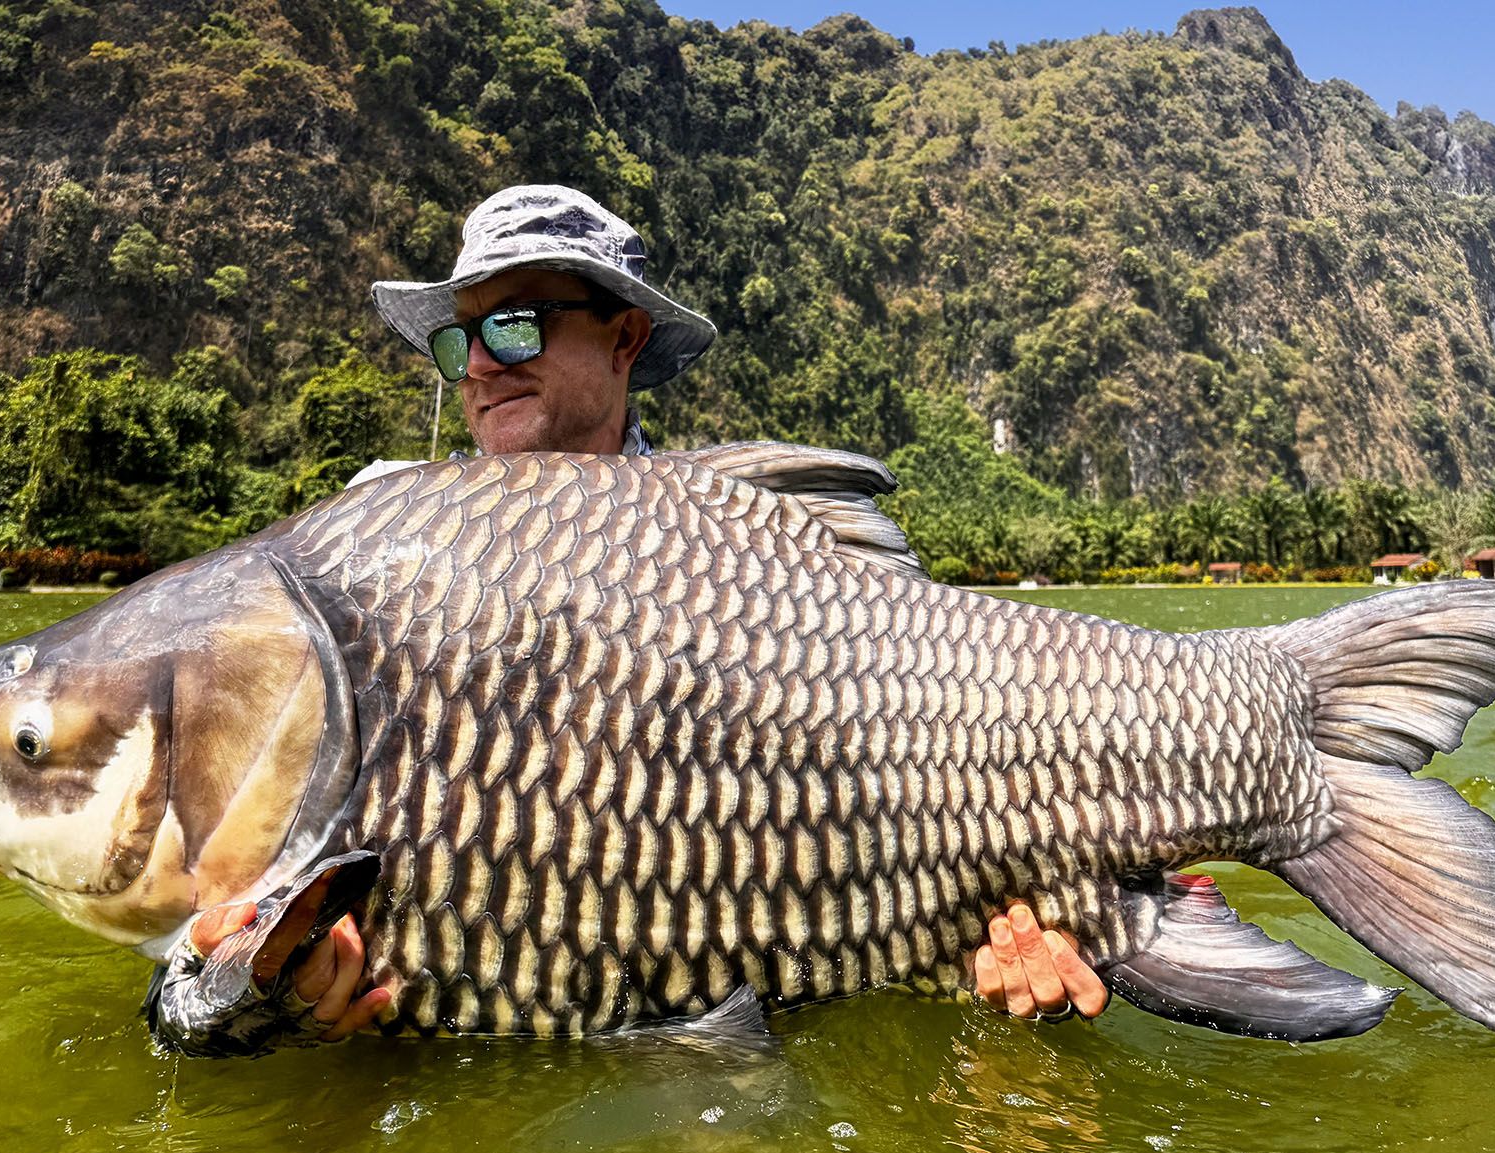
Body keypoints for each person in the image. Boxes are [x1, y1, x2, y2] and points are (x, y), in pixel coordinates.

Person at [174, 185, 1108, 1048]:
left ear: (623, 341)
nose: (482, 367)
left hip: (728, 1090)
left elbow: (931, 797)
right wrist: (230, 988)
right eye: (460, 342)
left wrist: (1010, 952)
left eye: (515, 325)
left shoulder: (763, 555)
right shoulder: (371, 550)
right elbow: (208, 899)